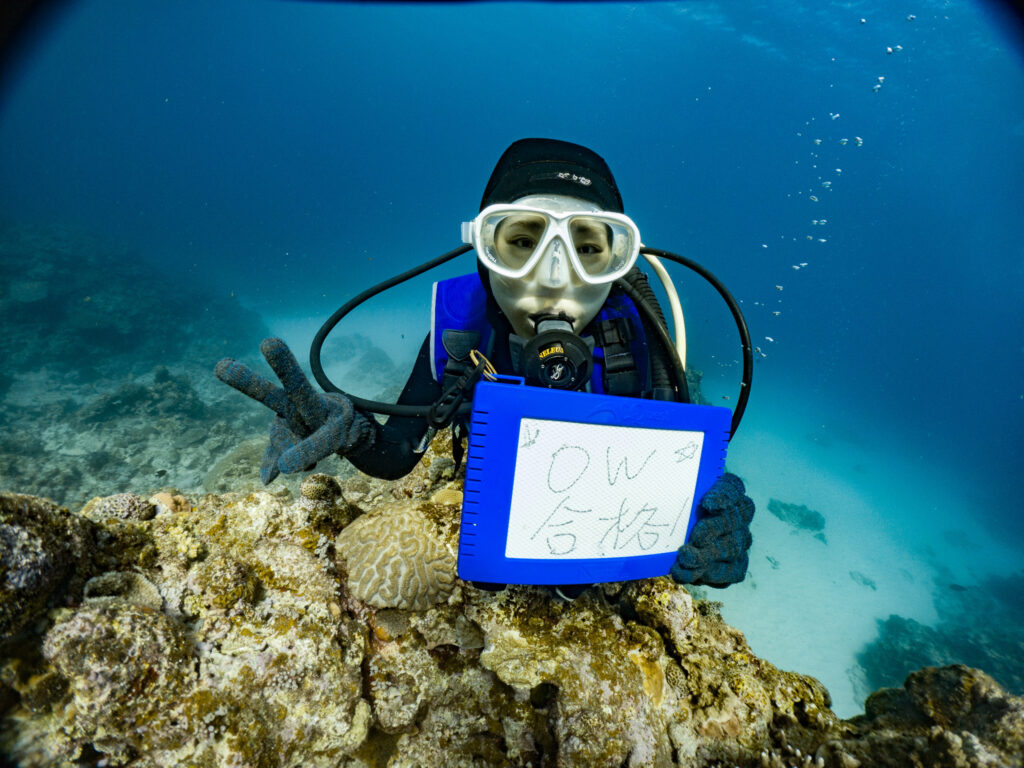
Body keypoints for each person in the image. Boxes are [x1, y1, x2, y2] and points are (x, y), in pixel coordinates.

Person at [216, 138, 754, 589]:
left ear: (618, 263)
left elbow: (687, 478)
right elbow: (398, 455)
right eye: (521, 241)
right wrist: (352, 432)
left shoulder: (644, 340)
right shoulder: (462, 333)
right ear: (481, 249)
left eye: (589, 250)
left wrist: (712, 519)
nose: (553, 276)